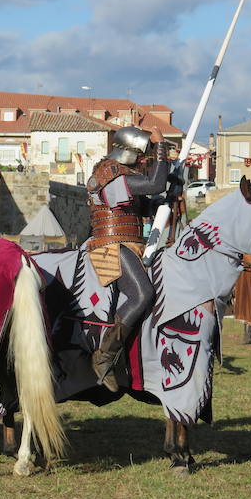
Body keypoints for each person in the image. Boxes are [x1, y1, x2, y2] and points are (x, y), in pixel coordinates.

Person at [85, 125, 169, 391]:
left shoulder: (123, 178)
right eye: (142, 155)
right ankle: (104, 356)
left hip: (130, 245)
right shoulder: (110, 175)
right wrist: (161, 149)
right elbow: (155, 184)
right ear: (129, 152)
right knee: (142, 295)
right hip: (109, 246)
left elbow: (146, 203)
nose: (144, 160)